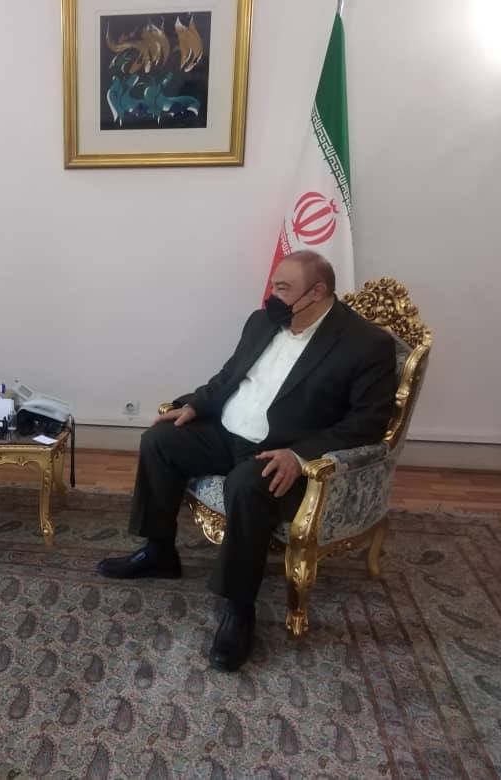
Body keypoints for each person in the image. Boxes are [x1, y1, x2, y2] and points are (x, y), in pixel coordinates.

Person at [97, 251, 397, 671]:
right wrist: (195, 405)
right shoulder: (262, 322)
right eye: (273, 285)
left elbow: (369, 423)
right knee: (159, 440)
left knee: (247, 485)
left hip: (281, 448)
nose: (272, 296)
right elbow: (228, 377)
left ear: (317, 292)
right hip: (226, 431)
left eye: (283, 288)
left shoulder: (366, 344)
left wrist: (300, 454)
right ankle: (159, 552)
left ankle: (239, 608)